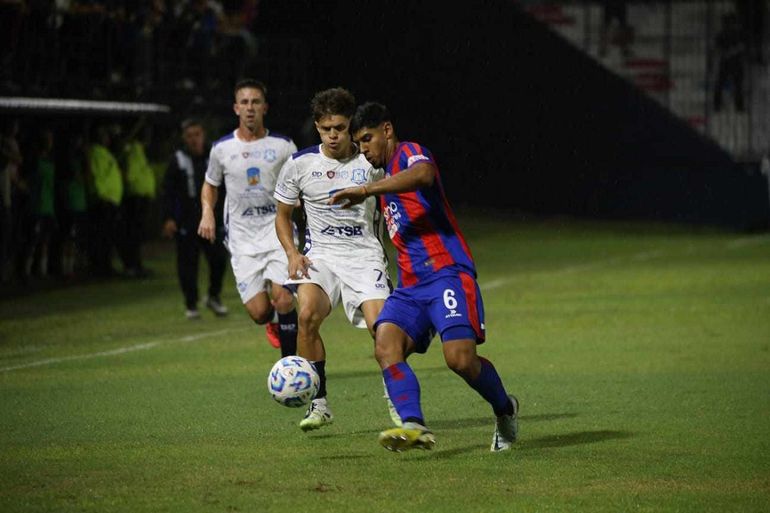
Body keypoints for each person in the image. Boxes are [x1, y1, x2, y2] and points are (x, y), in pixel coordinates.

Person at [330, 102, 519, 453]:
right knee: (385, 345)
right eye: (358, 143)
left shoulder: (408, 153)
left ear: (387, 130)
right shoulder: (383, 181)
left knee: (460, 360)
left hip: (447, 273)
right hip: (411, 287)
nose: (364, 149)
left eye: (367, 138)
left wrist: (370, 190)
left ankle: (505, 408)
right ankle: (413, 424)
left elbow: (425, 175)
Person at [273, 87, 393, 432]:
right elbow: (282, 215)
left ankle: (396, 401)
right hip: (321, 256)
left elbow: (396, 197)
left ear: (350, 124)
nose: (334, 135)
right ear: (317, 127)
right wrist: (292, 253)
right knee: (307, 315)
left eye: (340, 128)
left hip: (364, 255)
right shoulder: (300, 164)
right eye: (326, 129)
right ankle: (319, 403)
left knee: (382, 328)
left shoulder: (369, 163)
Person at [198, 78, 298, 357]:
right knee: (259, 312)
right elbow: (210, 184)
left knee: (284, 298)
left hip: (278, 232)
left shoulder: (283, 146)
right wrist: (207, 212)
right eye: (244, 102)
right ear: (236, 108)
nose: (250, 107)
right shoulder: (222, 148)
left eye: (255, 102)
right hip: (242, 239)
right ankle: (274, 321)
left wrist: (299, 197)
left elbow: (299, 179)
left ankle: (290, 366)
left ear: (265, 107)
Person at [162, 118, 229, 320]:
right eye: (189, 136)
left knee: (219, 259)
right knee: (187, 265)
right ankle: (191, 304)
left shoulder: (214, 156)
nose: (194, 139)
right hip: (187, 222)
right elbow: (168, 191)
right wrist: (168, 218)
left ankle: (213, 296)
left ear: (203, 135)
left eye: (197, 134)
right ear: (184, 138)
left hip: (212, 220)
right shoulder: (178, 159)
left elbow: (225, 187)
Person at [713, 11, 746, 113]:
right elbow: (717, 48)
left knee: (736, 86)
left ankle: (738, 107)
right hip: (728, 63)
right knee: (724, 85)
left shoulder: (738, 34)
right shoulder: (722, 34)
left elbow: (742, 46)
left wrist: (730, 52)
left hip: (733, 63)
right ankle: (719, 106)